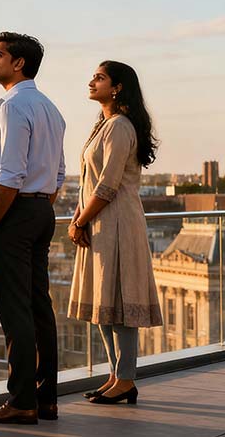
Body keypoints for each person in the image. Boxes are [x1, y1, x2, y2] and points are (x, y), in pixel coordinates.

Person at [0, 32, 65, 425]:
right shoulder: (50, 107)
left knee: (16, 311)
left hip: (14, 212)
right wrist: (37, 208)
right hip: (41, 211)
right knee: (39, 306)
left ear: (19, 64)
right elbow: (59, 173)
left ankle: (21, 400)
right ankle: (46, 399)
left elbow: (11, 172)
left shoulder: (13, 107)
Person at [67, 60, 163, 405]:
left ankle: (125, 379)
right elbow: (90, 183)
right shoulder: (104, 125)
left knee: (120, 304)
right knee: (104, 305)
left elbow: (107, 185)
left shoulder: (119, 126)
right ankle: (116, 375)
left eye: (99, 77)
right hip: (101, 222)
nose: (91, 81)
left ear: (117, 87)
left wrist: (79, 221)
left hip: (117, 223)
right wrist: (80, 216)